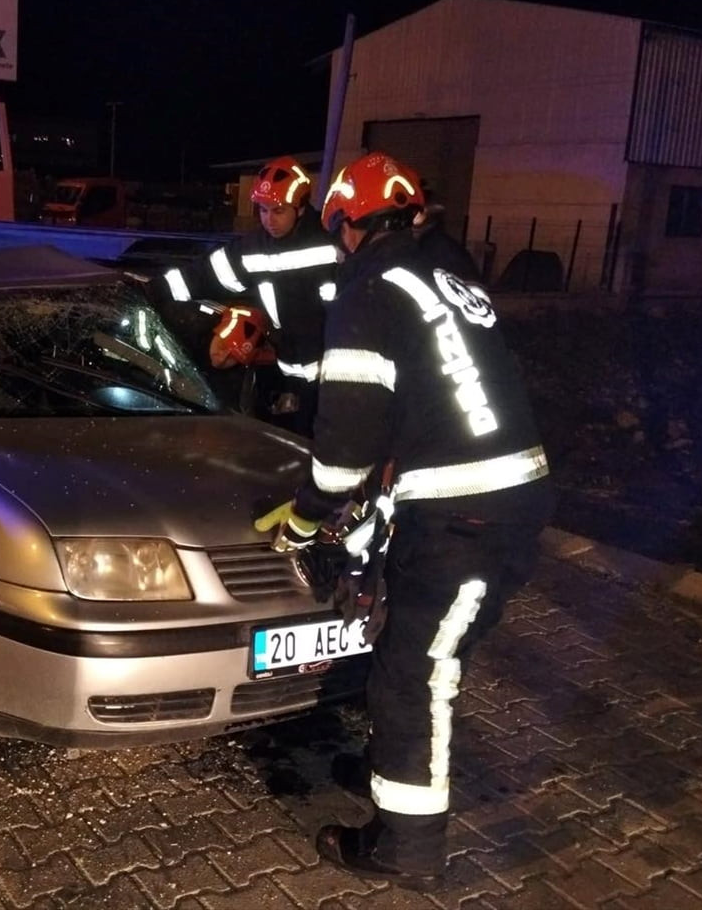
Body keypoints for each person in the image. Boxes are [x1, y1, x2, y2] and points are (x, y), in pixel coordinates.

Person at [254, 151, 554, 890]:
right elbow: (435, 397)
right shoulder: (446, 279)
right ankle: (390, 767)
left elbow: (345, 445)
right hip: (512, 497)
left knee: (413, 677)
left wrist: (306, 518)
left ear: (348, 226)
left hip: (465, 514)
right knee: (420, 662)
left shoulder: (368, 291)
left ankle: (407, 849)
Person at [156, 155, 341, 436]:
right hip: (288, 373)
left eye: (278, 210)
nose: (269, 219)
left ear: (301, 207)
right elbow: (203, 276)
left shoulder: (332, 249)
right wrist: (155, 291)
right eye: (263, 210)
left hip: (333, 381)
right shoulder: (253, 249)